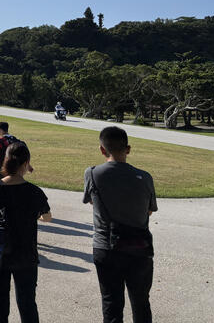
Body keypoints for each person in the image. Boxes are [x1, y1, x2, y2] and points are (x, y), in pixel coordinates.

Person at [83, 126, 157, 323]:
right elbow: (149, 210)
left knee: (111, 304)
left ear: (101, 149)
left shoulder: (92, 174)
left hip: (106, 246)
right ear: (128, 149)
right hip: (139, 248)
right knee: (141, 303)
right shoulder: (145, 177)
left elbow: (91, 201)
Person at [0, 141, 51, 323]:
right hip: (25, 254)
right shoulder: (34, 192)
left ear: (6, 161)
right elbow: (47, 217)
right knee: (27, 304)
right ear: (26, 164)